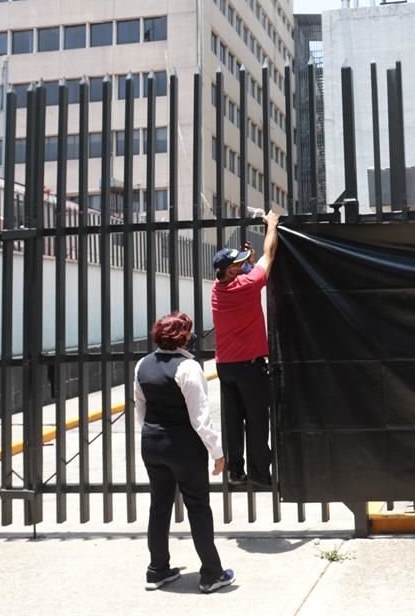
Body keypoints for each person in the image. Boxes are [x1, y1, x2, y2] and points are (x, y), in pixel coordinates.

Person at [135, 311, 235, 594]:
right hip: (183, 446)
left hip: (152, 443)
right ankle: (212, 573)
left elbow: (139, 408)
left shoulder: (142, 365)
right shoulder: (188, 368)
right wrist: (217, 451)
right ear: (183, 338)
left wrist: (153, 433)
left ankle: (157, 570)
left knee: (159, 505)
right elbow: (200, 417)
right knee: (198, 506)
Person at [211, 210, 280, 488]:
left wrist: (245, 261)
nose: (243, 266)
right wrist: (271, 226)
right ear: (230, 271)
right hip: (248, 366)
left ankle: (235, 470)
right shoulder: (247, 285)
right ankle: (260, 474)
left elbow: (245, 270)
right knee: (256, 419)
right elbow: (270, 255)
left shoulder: (218, 287)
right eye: (238, 264)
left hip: (224, 366)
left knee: (232, 420)